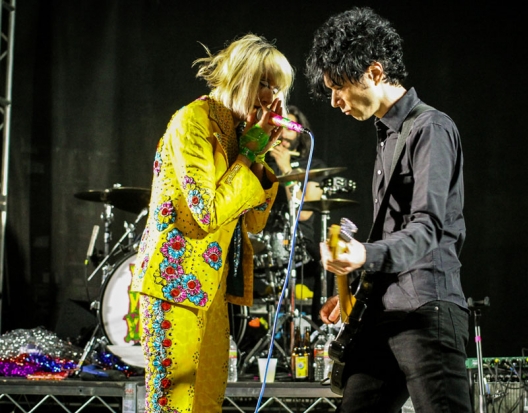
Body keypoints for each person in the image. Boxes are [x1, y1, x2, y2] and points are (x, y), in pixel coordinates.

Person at [306, 7, 472, 413]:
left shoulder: (430, 128)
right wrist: (359, 275)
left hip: (426, 311)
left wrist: (364, 252)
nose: (334, 101)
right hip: (386, 312)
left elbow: (429, 226)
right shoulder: (387, 138)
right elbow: (394, 236)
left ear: (375, 72)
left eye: (339, 87)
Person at [130, 34, 293, 412]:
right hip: (172, 284)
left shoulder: (237, 135)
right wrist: (250, 152)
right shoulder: (193, 120)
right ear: (238, 76)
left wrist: (256, 155)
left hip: (211, 289)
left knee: (207, 402)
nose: (270, 97)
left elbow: (253, 221)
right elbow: (206, 212)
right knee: (174, 405)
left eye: (277, 87)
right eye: (264, 83)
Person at [263, 105, 329, 326]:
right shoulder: (262, 165)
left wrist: (286, 170)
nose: (283, 133)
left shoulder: (313, 167)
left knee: (325, 261)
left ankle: (319, 326)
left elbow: (305, 212)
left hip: (300, 243)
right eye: (279, 126)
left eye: (289, 127)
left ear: (299, 133)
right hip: (264, 240)